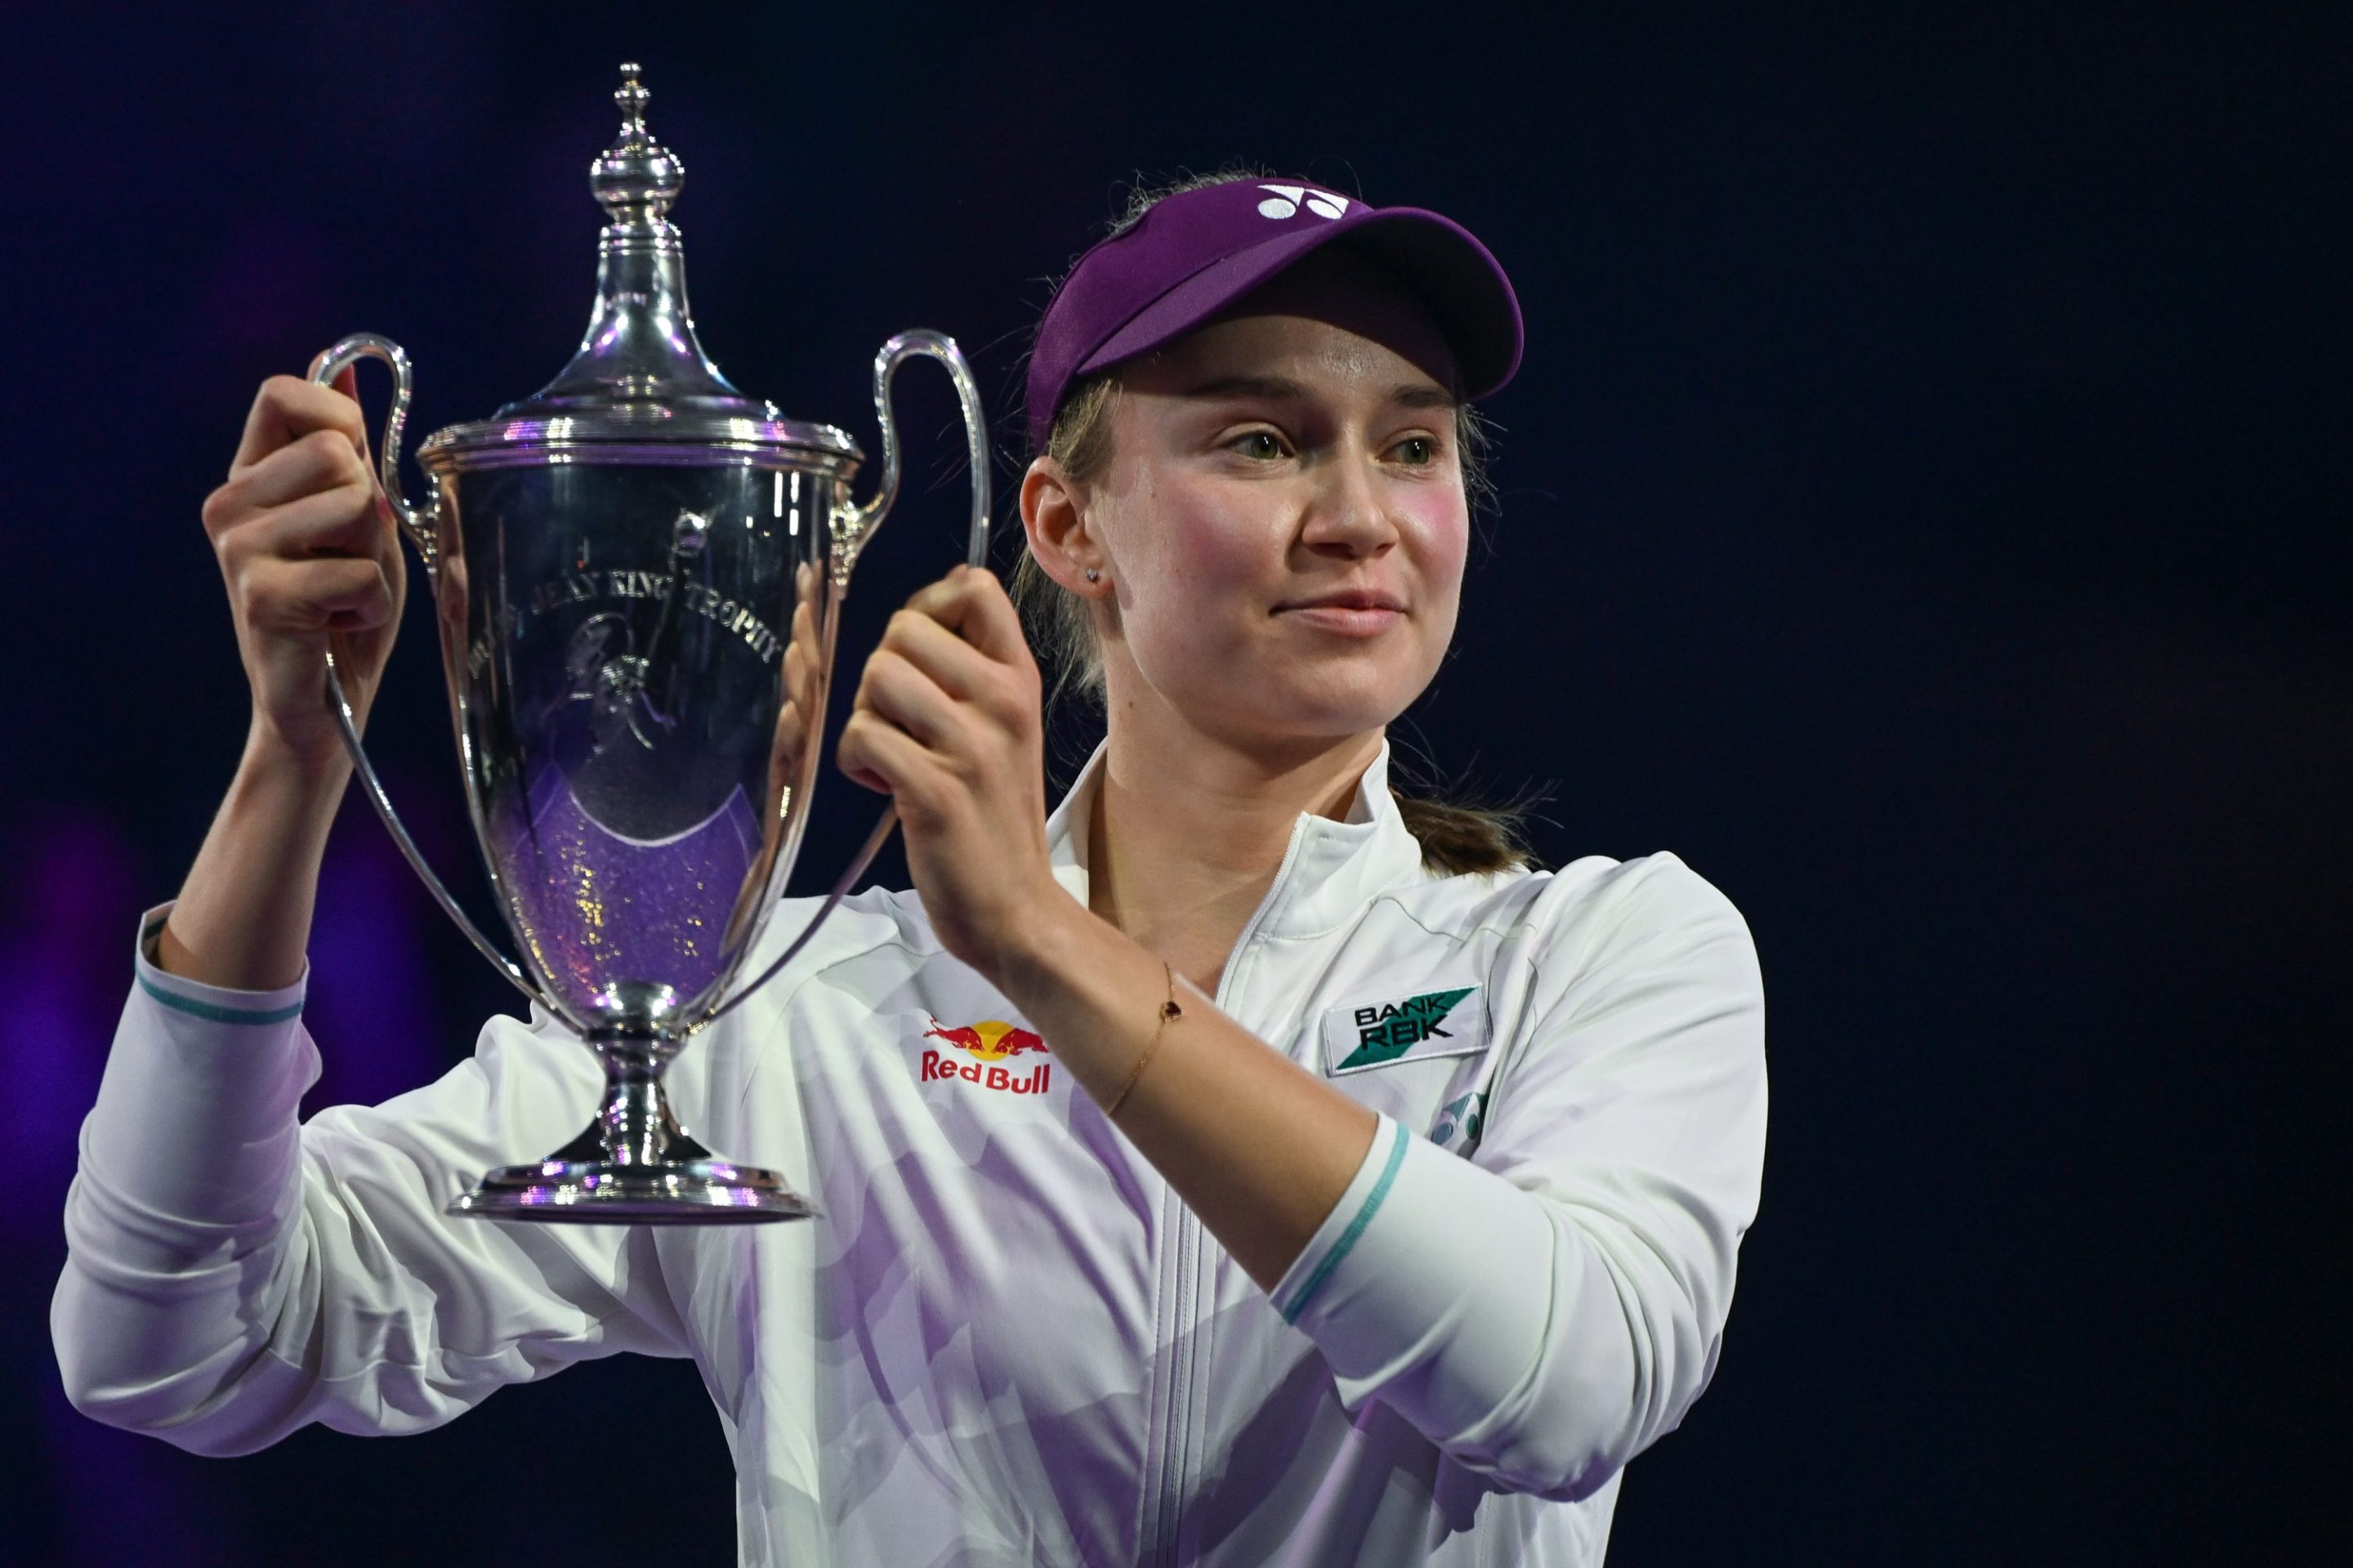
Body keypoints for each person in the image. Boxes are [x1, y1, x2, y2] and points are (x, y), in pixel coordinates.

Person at [53, 173, 1766, 1566]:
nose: (1360, 511)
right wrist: (296, 761)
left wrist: (1037, 944)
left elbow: (1563, 1381)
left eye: (1410, 444)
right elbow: (174, 1345)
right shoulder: (783, 1013)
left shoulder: (1604, 953)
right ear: (1065, 527)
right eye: (1262, 441)